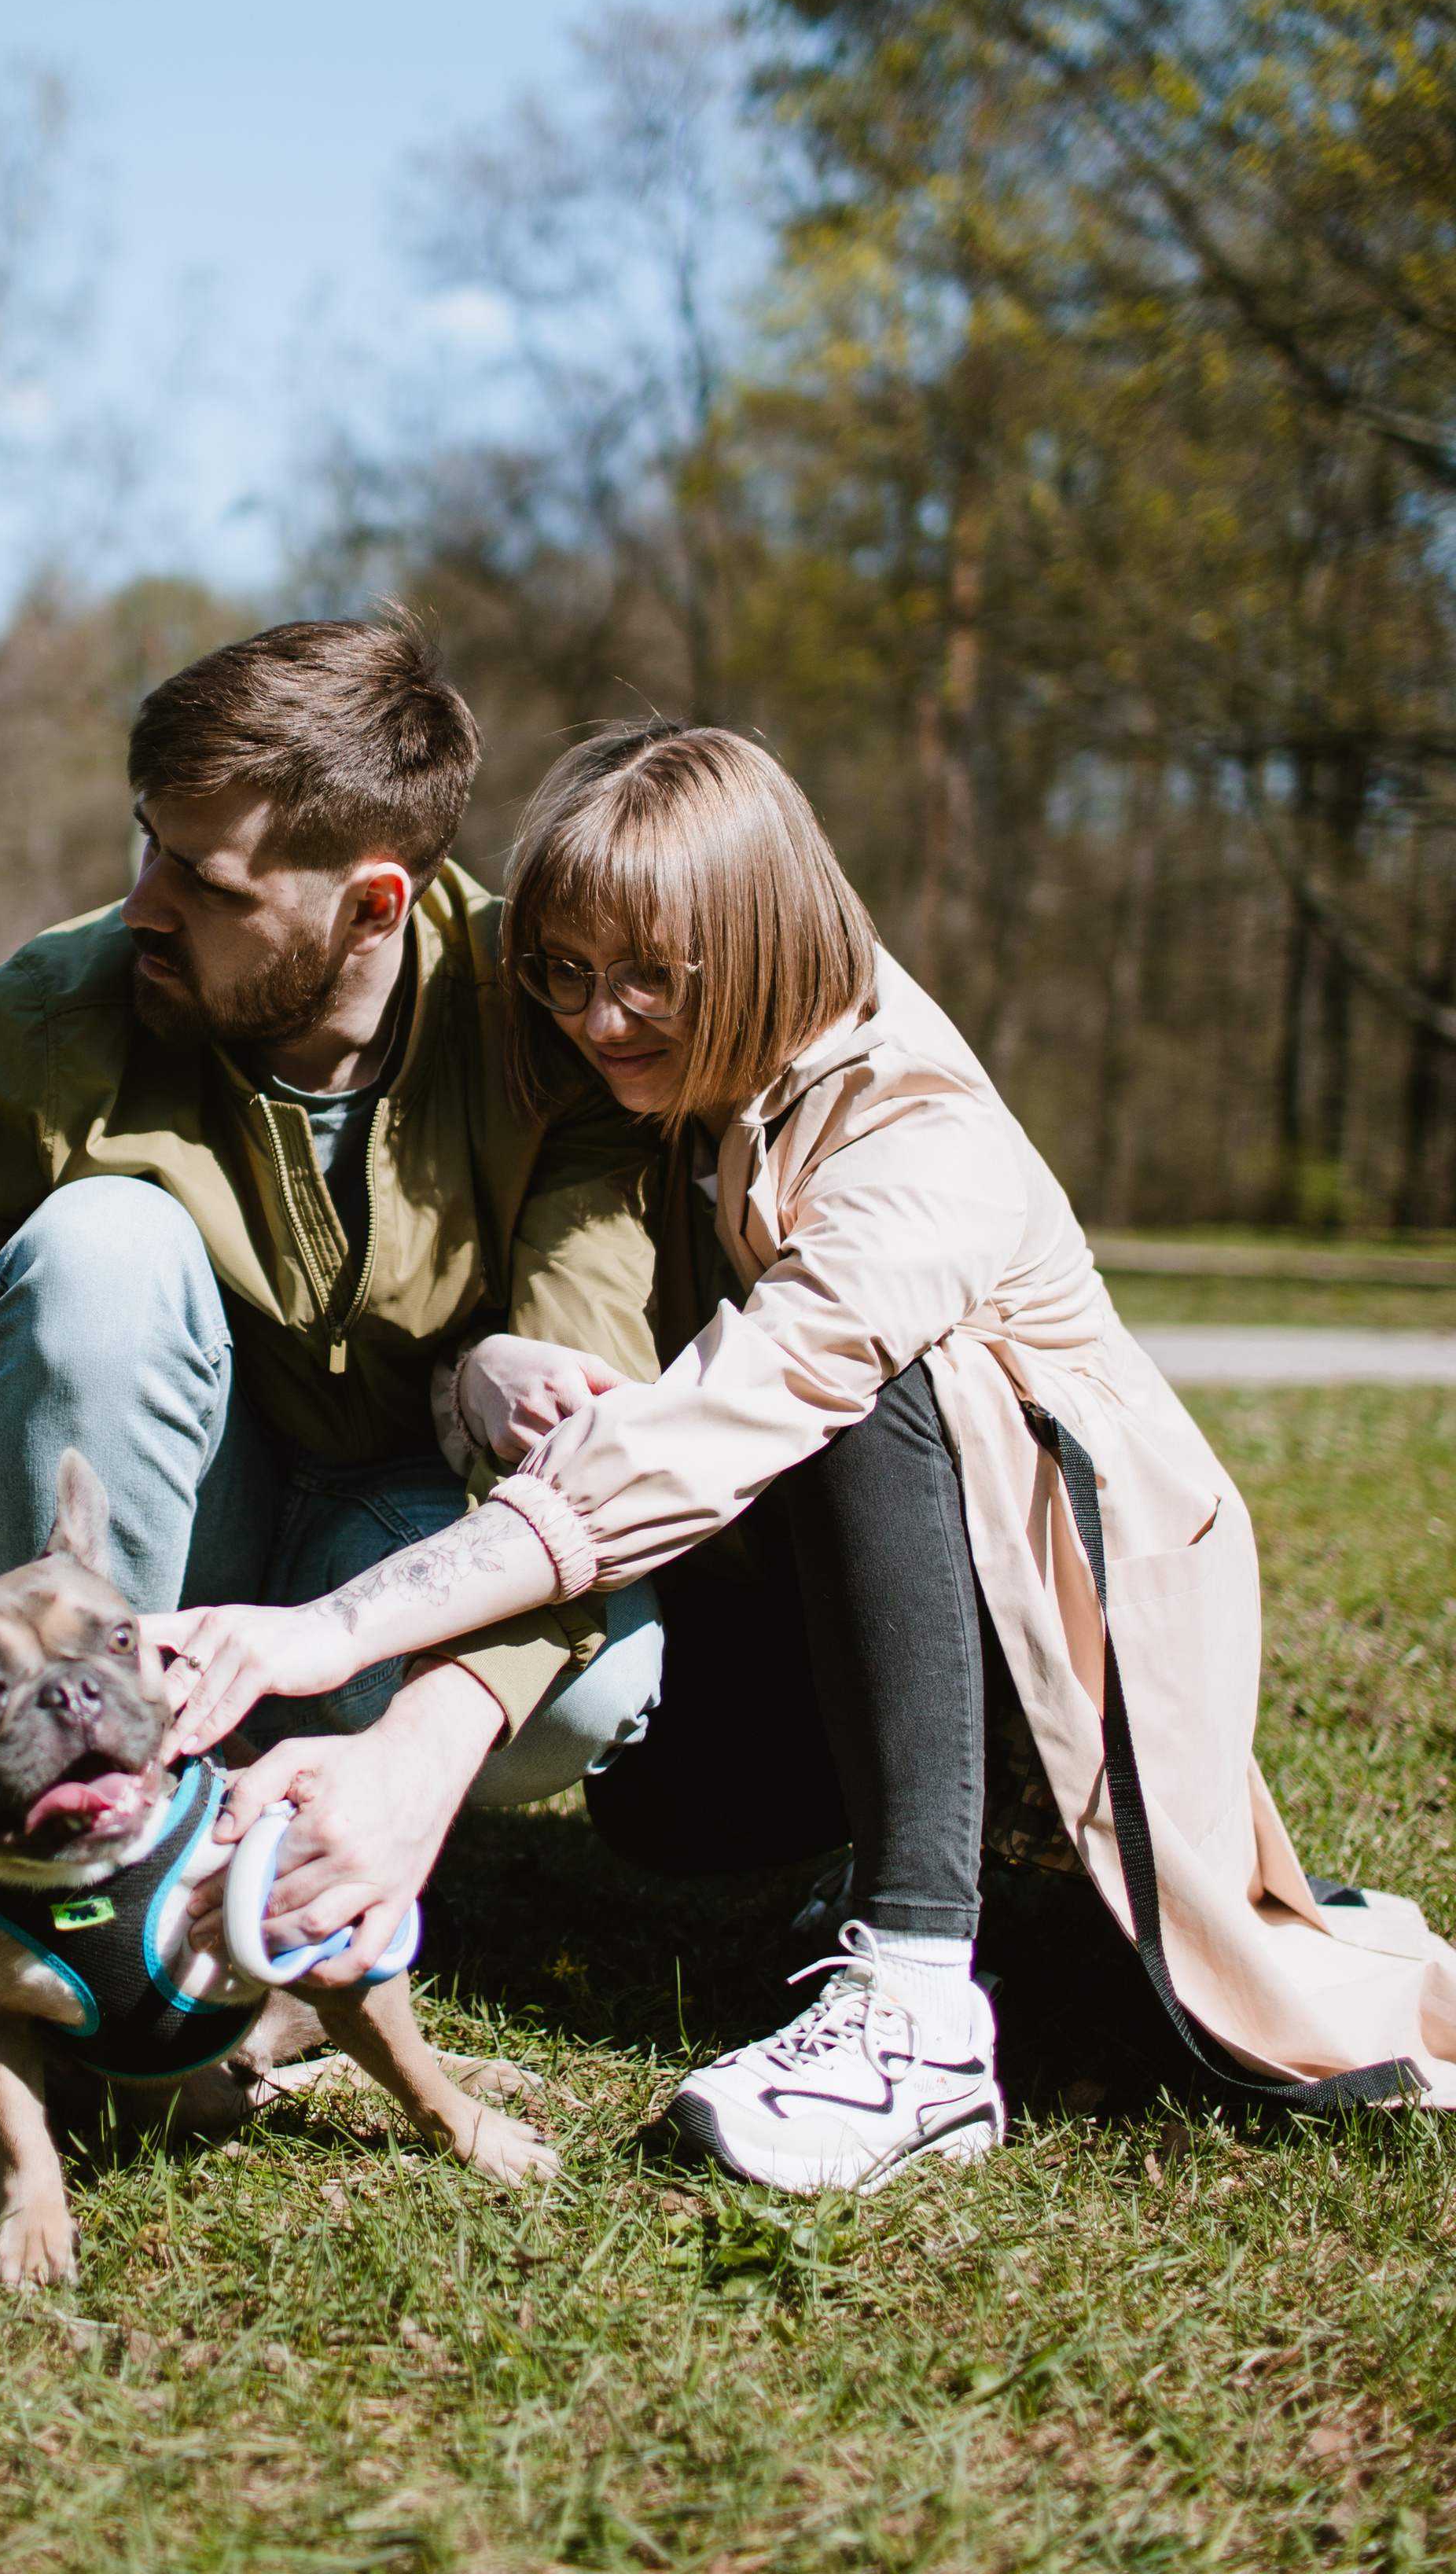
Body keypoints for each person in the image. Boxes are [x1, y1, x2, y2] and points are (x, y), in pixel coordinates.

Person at [157, 721, 1456, 2186]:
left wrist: (328, 1631)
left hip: (1071, 1638)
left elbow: (725, 1423)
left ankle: (918, 2006)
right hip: (811, 1603)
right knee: (657, 1803)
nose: (601, 1018)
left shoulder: (914, 1137)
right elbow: (590, 1363)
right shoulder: (679, 1089)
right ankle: (938, 1863)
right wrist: (483, 1379)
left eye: (648, 974)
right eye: (567, 972)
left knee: (871, 1384)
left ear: (759, 937)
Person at [0, 621, 669, 2098]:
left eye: (204, 883)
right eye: (148, 849)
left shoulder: (552, 1023)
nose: (141, 905)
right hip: (156, 1580)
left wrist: (422, 1743)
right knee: (98, 1254)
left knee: (599, 1668)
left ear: (371, 904)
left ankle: (290, 1858)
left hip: (396, 1566)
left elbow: (595, 1466)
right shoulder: (38, 1032)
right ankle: (100, 1864)